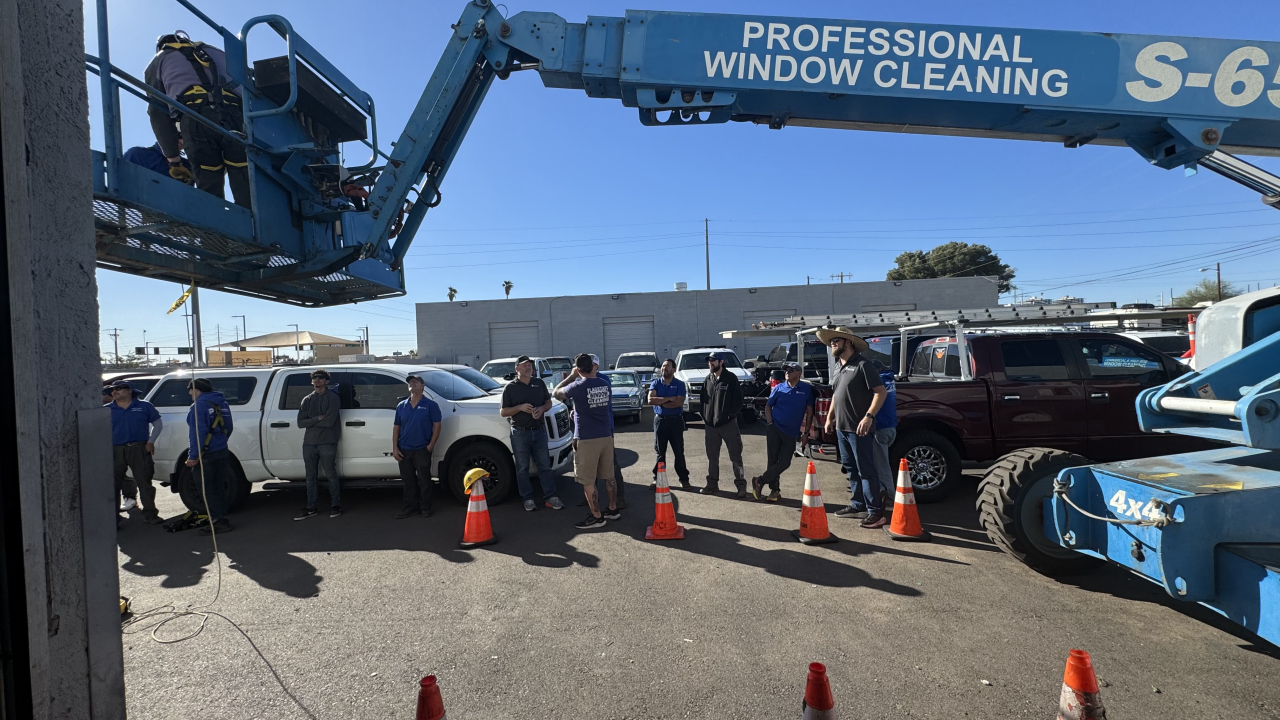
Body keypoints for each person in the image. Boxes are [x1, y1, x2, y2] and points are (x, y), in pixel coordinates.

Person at [144, 31, 249, 207]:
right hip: (237, 118)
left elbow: (157, 112)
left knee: (208, 189)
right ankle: (252, 229)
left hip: (196, 120)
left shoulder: (159, 60)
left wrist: (173, 158)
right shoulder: (216, 52)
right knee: (245, 182)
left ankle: (213, 233)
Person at [816, 326, 889, 529]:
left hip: (859, 428)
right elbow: (835, 396)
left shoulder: (863, 365)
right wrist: (830, 419)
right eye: (831, 341)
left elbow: (880, 392)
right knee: (851, 468)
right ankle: (858, 505)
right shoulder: (839, 366)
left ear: (848, 342)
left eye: (836, 340)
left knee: (866, 469)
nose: (832, 344)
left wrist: (868, 417)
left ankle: (876, 512)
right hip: (842, 428)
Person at [554, 354, 620, 529]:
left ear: (578, 369)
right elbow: (595, 405)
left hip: (586, 437)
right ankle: (613, 509)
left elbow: (556, 393)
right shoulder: (605, 384)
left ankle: (597, 516)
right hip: (606, 435)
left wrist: (572, 376)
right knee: (609, 476)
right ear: (593, 366)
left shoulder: (577, 386)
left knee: (587, 480)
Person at [500, 355, 564, 512]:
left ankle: (551, 497)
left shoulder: (539, 383)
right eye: (524, 365)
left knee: (545, 466)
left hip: (539, 431)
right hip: (520, 433)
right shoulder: (510, 388)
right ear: (517, 369)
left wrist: (541, 409)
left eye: (529, 365)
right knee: (522, 467)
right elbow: (503, 412)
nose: (528, 367)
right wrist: (520, 408)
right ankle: (527, 498)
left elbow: (547, 403)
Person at [753, 362, 815, 502]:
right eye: (786, 370)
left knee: (785, 462)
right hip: (775, 428)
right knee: (773, 460)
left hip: (791, 432)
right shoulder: (779, 388)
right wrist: (770, 423)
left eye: (791, 370)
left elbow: (810, 412)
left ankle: (760, 480)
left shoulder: (806, 389)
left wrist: (806, 433)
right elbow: (768, 406)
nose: (787, 372)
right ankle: (774, 491)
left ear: (799, 373)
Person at [107, 380, 164, 524]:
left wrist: (150, 442)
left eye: (119, 389)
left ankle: (151, 515)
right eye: (113, 389)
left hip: (139, 448)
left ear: (130, 390)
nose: (114, 392)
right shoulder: (106, 409)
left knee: (144, 482)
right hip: (115, 449)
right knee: (112, 484)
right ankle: (113, 518)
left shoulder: (144, 406)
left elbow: (157, 424)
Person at [185, 377, 235, 535]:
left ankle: (219, 521)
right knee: (219, 486)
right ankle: (221, 516)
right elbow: (229, 426)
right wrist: (220, 441)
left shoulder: (198, 406)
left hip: (205, 453)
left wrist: (193, 456)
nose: (190, 393)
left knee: (207, 489)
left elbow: (197, 433)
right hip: (221, 450)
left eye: (190, 390)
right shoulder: (222, 403)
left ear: (197, 390)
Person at [294, 369, 342, 520]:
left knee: (331, 475)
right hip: (309, 443)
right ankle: (311, 507)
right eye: (315, 378)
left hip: (327, 442)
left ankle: (335, 506)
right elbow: (300, 423)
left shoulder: (333, 397)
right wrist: (318, 418)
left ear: (327, 381)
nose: (317, 380)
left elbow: (329, 421)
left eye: (321, 378)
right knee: (310, 477)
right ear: (311, 381)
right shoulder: (307, 399)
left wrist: (314, 421)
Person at [392, 375, 442, 518]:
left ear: (423, 386)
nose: (412, 384)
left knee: (424, 480)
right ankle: (410, 507)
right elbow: (396, 428)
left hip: (422, 448)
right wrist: (395, 448)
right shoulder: (402, 406)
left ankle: (425, 507)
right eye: (410, 382)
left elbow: (437, 425)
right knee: (408, 480)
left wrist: (431, 445)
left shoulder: (430, 405)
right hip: (404, 449)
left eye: (415, 382)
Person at [699, 351, 747, 497]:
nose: (710, 363)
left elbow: (738, 400)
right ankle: (712, 484)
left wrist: (729, 415)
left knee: (735, 456)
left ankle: (741, 485)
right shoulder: (708, 379)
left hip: (728, 425)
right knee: (712, 457)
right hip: (710, 426)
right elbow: (703, 400)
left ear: (721, 362)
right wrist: (706, 417)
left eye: (713, 361)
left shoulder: (730, 378)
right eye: (709, 361)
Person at [647, 358, 692, 490]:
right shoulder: (655, 383)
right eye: (663, 366)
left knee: (678, 451)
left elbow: (679, 403)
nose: (664, 369)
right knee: (660, 452)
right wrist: (668, 399)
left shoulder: (679, 384)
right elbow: (650, 400)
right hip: (660, 421)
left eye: (667, 366)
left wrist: (661, 401)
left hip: (676, 421)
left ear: (674, 369)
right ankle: (658, 479)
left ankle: (684, 479)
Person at [869, 359, 899, 504]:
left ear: (878, 370)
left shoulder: (877, 382)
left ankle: (890, 498)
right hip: (891, 427)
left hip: (880, 428)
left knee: (882, 466)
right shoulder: (889, 379)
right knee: (881, 463)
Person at [123, 141, 190, 178]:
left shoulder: (187, 166)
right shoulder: (137, 154)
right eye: (180, 135)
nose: (182, 142)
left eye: (187, 138)